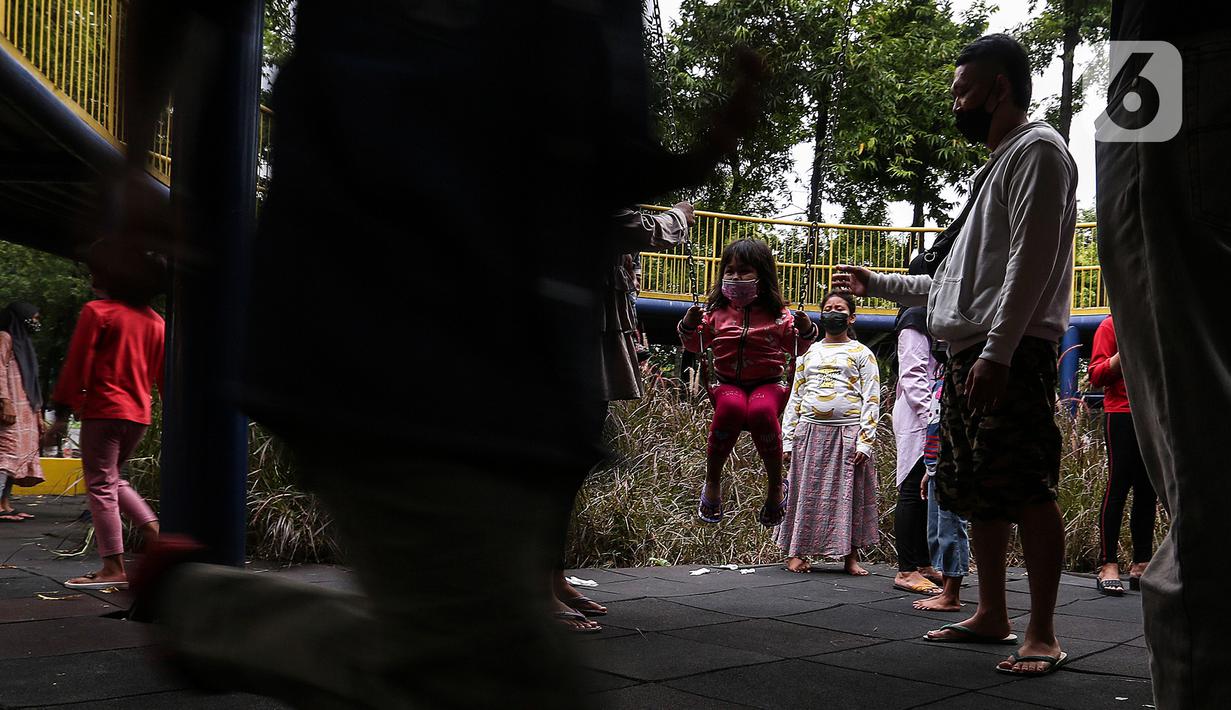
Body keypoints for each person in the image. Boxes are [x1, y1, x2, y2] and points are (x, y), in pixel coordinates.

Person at [113, 2, 766, 706]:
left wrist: (708, 146)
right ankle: (207, 613)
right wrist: (129, 165)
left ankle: (206, 609)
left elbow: (598, 160)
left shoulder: (598, 21)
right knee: (496, 673)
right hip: (387, 306)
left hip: (532, 358)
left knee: (464, 650)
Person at [834, 33, 1077, 677]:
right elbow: (951, 285)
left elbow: (1031, 262)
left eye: (963, 91)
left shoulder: (1038, 150)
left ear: (1000, 88)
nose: (955, 104)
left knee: (1027, 485)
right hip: (977, 352)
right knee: (982, 490)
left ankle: (1043, 632)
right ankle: (993, 613)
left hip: (1011, 351)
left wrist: (999, 352)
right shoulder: (995, 166)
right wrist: (877, 282)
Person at [1096, 2, 1231, 703]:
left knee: (1206, 494)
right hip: (1168, 59)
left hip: (1174, 45)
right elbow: (1098, 370)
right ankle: (1112, 557)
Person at [552, 202, 695, 633]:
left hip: (591, 323)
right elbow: (632, 226)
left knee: (570, 463)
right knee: (552, 464)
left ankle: (553, 577)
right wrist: (678, 217)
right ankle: (532, 583)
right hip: (566, 325)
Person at [46, 244, 164, 590]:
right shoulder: (157, 322)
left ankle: (113, 566)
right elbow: (163, 376)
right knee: (111, 478)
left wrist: (61, 413)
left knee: (99, 484)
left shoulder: (98, 312)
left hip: (104, 410)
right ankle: (154, 531)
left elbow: (76, 365)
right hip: (138, 415)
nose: (91, 277)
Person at [678, 238, 817, 527]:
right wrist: (690, 324)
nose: (736, 277)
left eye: (744, 271)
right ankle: (712, 482)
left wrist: (805, 329)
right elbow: (695, 344)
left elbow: (797, 347)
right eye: (730, 271)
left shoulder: (779, 316)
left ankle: (775, 486)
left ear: (761, 276)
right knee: (730, 407)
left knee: (761, 412)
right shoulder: (715, 314)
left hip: (768, 384)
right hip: (728, 383)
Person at [776, 291, 879, 575]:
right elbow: (796, 397)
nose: (834, 312)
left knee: (850, 495)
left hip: (848, 433)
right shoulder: (809, 353)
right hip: (809, 433)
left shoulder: (862, 353)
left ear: (851, 317)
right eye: (829, 308)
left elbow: (871, 398)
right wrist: (787, 440)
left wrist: (865, 441)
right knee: (804, 493)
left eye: (840, 308)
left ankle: (850, 557)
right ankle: (796, 552)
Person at [1088, 315, 1155, 596]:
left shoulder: (1156, 320)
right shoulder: (1111, 325)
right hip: (1121, 412)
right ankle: (1108, 564)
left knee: (1148, 489)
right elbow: (1096, 375)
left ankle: (1141, 562)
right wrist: (1125, 349)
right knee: (1118, 485)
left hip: (1153, 412)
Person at [890, 306, 942, 594]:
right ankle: (906, 569)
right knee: (912, 487)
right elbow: (912, 375)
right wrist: (930, 417)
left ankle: (923, 564)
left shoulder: (938, 314)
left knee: (926, 492)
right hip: (918, 415)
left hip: (934, 413)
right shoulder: (915, 318)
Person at [914, 347, 970, 612]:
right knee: (936, 532)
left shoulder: (961, 380)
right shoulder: (941, 381)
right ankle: (947, 587)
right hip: (936, 464)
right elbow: (936, 426)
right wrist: (929, 468)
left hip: (953, 464)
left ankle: (952, 593)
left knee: (951, 530)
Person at [0, 302, 46, 521]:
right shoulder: (4, 337)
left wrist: (37, 412)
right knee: (5, 455)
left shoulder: (23, 344)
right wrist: (4, 401)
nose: (36, 323)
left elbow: (31, 381)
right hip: (9, 407)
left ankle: (5, 504)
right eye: (33, 318)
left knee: (16, 457)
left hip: (24, 409)